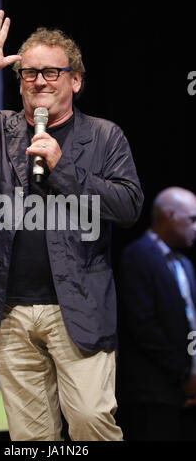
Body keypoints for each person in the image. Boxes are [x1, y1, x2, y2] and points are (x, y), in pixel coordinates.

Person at [0, 9, 143, 441]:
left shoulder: (104, 137)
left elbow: (128, 206)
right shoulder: (0, 131)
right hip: (7, 309)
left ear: (75, 80)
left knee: (90, 422)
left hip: (78, 308)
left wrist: (63, 169)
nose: (39, 81)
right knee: (30, 438)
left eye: (50, 71)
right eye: (29, 73)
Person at [116, 187, 196, 440]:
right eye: (192, 219)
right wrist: (183, 375)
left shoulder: (185, 263)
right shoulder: (137, 256)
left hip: (185, 391)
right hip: (152, 393)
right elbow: (143, 327)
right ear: (170, 216)